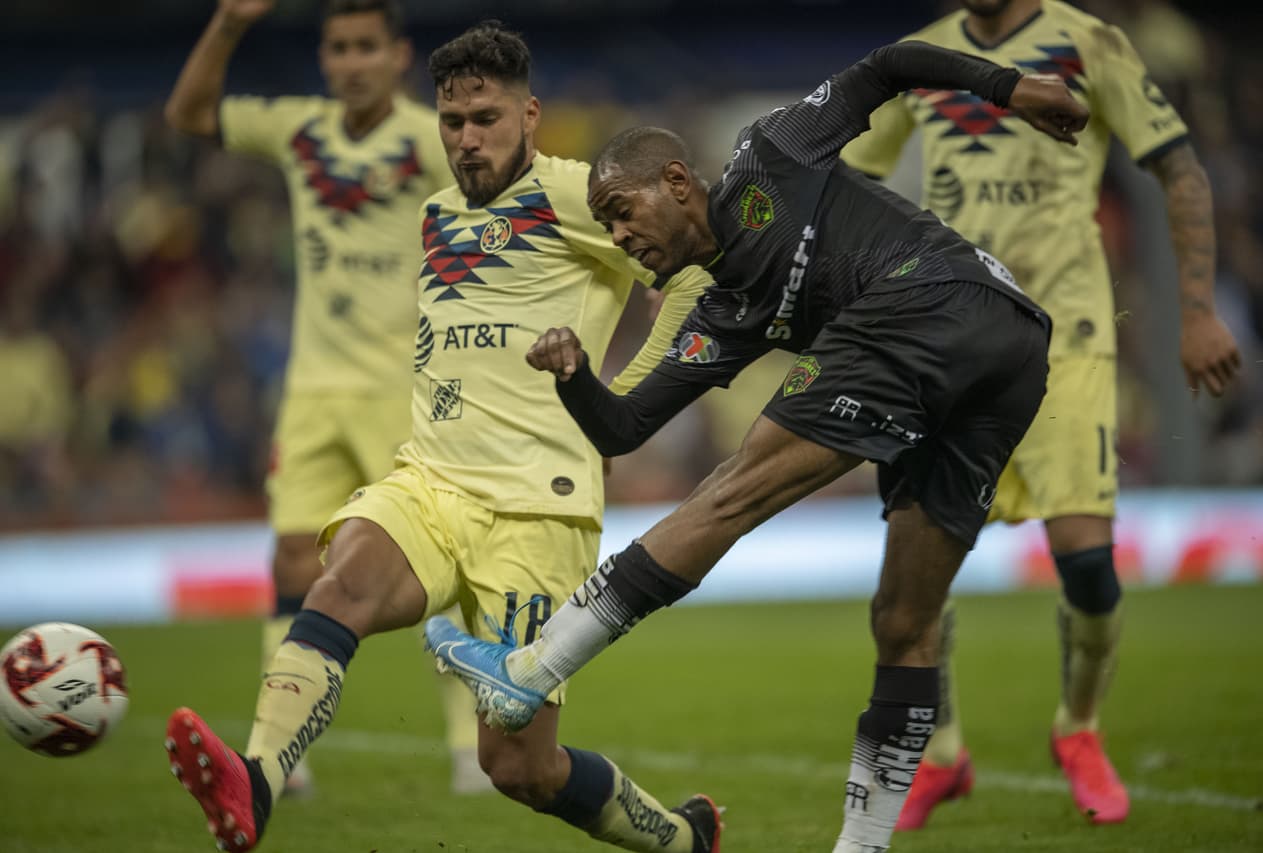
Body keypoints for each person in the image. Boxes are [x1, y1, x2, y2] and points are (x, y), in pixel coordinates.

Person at [426, 40, 1088, 853]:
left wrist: (1007, 86)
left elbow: (883, 71)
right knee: (904, 622)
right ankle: (862, 846)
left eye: (623, 212)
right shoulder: (724, 314)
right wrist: (574, 376)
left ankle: (532, 670)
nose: (620, 236)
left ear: (675, 182)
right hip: (1008, 356)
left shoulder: (771, 152)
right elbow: (624, 428)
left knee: (731, 489)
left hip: (933, 296)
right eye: (604, 226)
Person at [163, 20, 723, 853]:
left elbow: (696, 269)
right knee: (338, 583)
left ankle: (682, 839)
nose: (468, 139)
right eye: (453, 122)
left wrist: (625, 400)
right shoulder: (433, 212)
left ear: (529, 115)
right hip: (432, 480)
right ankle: (258, 782)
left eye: (487, 119)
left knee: (519, 765)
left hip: (538, 509)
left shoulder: (578, 193)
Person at [839, 0, 1241, 828]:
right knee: (915, 573)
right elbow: (855, 171)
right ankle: (940, 752)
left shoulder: (1087, 42)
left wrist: (1196, 309)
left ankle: (1080, 729)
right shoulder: (924, 55)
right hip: (950, 340)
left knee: (1088, 566)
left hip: (1068, 337)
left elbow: (1180, 168)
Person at [162, 0, 489, 796]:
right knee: (288, 561)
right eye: (338, 48)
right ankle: (284, 749)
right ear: (324, 58)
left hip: (407, 391)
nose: (351, 62)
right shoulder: (299, 130)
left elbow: (508, 195)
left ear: (397, 56)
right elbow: (188, 115)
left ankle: (469, 744)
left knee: (435, 565)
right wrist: (230, 24)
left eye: (366, 47)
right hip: (313, 388)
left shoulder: (427, 139)